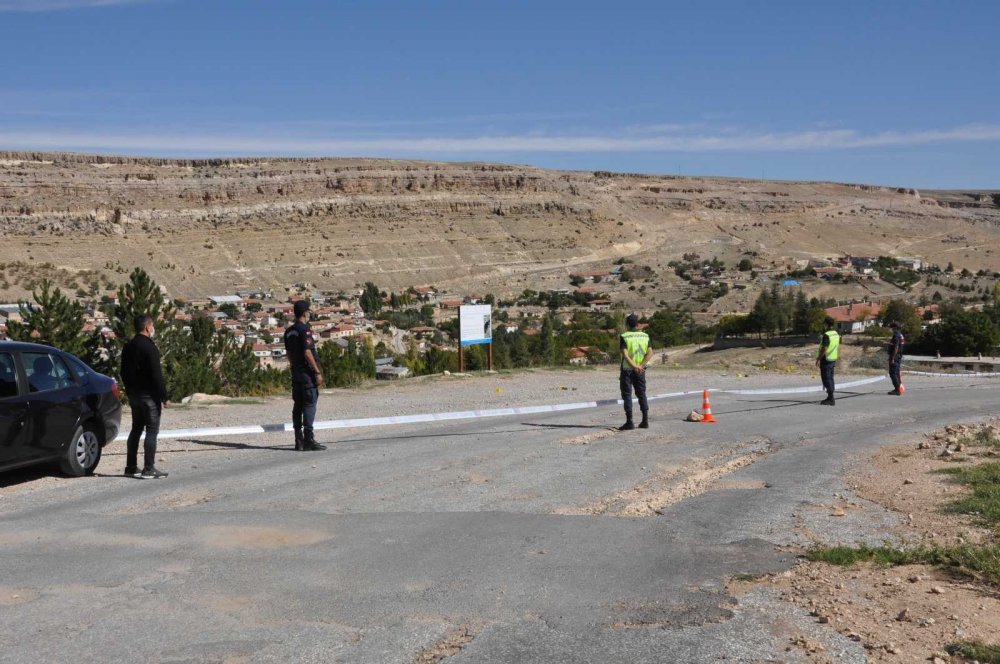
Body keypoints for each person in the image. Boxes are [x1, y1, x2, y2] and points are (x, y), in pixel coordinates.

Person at [121, 313, 170, 479]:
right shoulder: (149, 347)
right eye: (152, 325)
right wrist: (164, 396)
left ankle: (131, 466)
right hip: (149, 396)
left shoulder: (129, 346)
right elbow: (156, 374)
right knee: (151, 431)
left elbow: (123, 372)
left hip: (134, 395)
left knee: (136, 429)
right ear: (148, 327)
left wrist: (129, 390)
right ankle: (149, 468)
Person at [283, 299, 326, 451]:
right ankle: (309, 439)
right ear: (304, 313)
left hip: (296, 373)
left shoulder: (288, 332)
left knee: (298, 405)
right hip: (307, 374)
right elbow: (308, 352)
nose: (309, 313)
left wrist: (295, 366)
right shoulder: (304, 330)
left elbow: (288, 353)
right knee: (310, 403)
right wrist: (317, 371)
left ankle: (298, 440)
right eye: (308, 311)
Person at [619, 313, 651, 430]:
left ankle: (629, 422)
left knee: (627, 395)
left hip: (627, 370)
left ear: (627, 324)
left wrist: (634, 366)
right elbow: (650, 352)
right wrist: (640, 366)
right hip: (641, 370)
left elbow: (625, 354)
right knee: (641, 393)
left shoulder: (624, 336)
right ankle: (645, 420)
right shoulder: (645, 336)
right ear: (638, 324)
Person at [816, 316, 840, 406]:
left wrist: (818, 358)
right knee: (830, 377)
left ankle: (831, 398)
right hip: (833, 358)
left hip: (826, 359)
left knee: (826, 378)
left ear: (826, 324)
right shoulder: (836, 334)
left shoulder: (827, 335)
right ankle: (830, 396)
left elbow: (824, 348)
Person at [887, 321, 905, 395]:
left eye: (891, 327)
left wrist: (892, 358)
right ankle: (899, 388)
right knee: (897, 373)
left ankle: (897, 389)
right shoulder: (900, 335)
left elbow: (896, 347)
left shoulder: (896, 336)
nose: (890, 329)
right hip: (898, 356)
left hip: (896, 356)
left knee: (893, 373)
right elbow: (897, 345)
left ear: (894, 328)